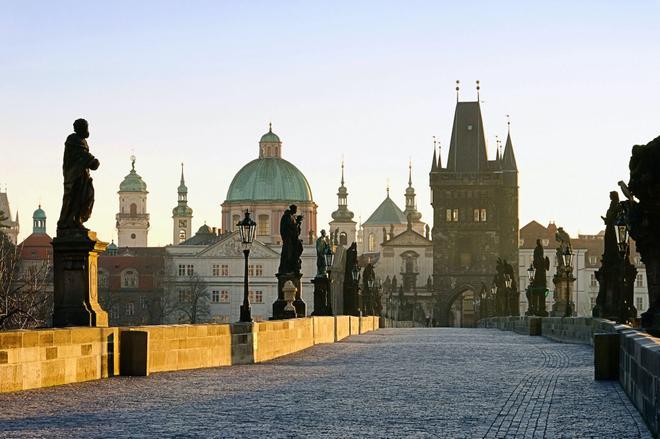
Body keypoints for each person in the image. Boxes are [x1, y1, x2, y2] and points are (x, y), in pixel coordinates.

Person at [57, 119, 100, 232]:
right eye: (85, 127)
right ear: (79, 128)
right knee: (73, 199)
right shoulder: (73, 139)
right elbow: (80, 155)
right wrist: (92, 160)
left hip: (83, 176)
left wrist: (91, 161)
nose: (87, 129)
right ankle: (68, 222)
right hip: (74, 176)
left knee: (87, 196)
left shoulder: (82, 141)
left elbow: (83, 156)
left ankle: (78, 219)